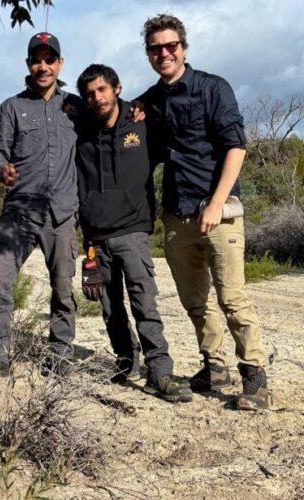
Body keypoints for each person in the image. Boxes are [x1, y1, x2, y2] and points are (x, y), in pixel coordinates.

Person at [139, 14, 269, 410]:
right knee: (195, 301)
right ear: (149, 54)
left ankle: (255, 375)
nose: (164, 53)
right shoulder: (150, 101)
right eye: (156, 48)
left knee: (232, 298)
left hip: (220, 211)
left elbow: (236, 147)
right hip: (178, 215)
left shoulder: (213, 88)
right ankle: (214, 366)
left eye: (171, 45)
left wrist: (215, 204)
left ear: (183, 47)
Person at [75, 64, 193, 403]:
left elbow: (176, 140)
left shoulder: (143, 124)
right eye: (90, 94)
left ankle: (160, 373)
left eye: (102, 90)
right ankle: (126, 362)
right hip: (96, 237)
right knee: (110, 307)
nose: (97, 98)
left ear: (116, 88)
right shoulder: (81, 128)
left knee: (144, 303)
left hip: (133, 232)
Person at [0, 32, 83, 372]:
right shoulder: (11, 107)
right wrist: (1, 169)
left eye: (49, 59)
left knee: (63, 290)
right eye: (36, 59)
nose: (43, 66)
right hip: (18, 213)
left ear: (60, 63)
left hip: (62, 215)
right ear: (28, 64)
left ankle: (60, 355)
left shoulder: (76, 106)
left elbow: (107, 125)